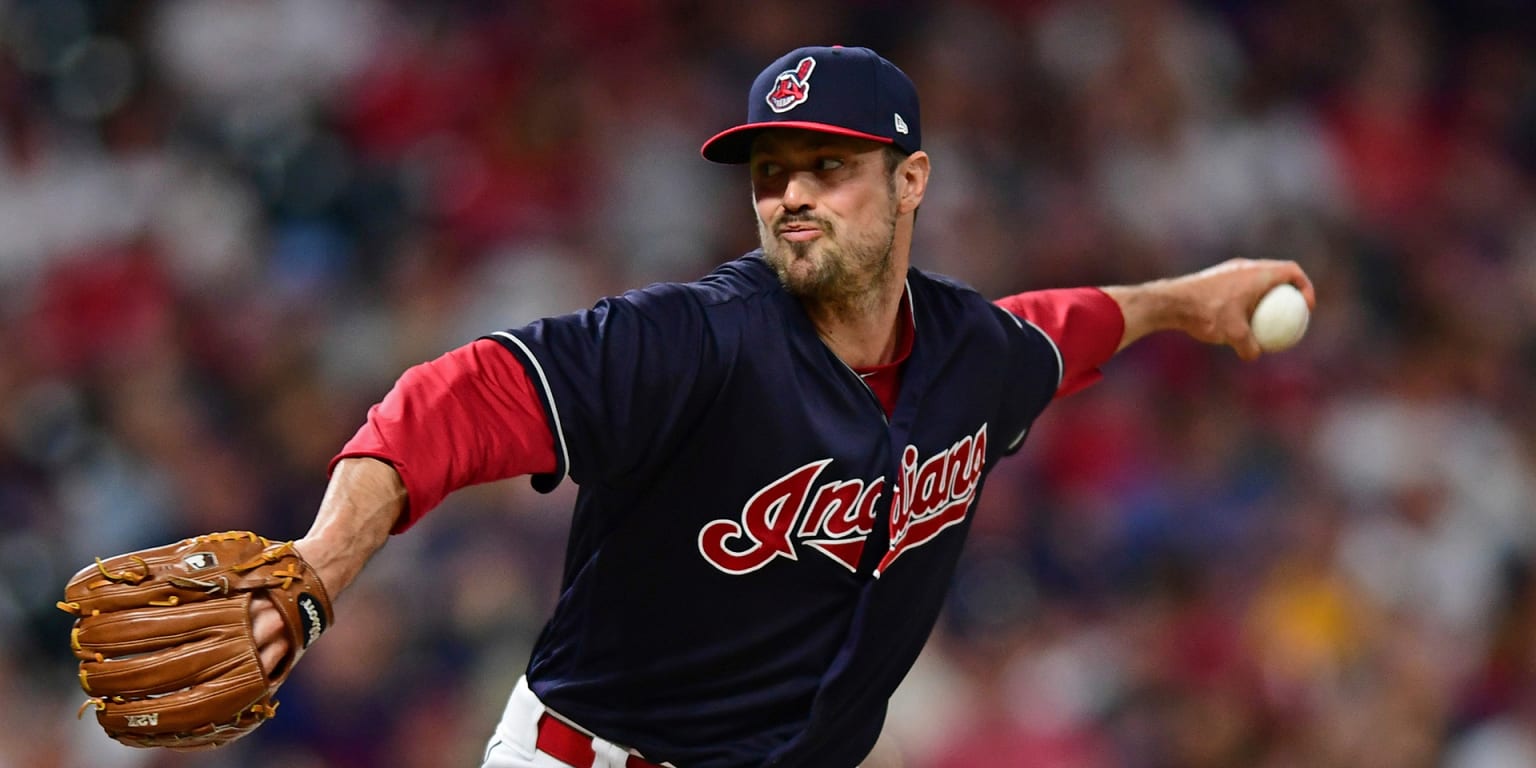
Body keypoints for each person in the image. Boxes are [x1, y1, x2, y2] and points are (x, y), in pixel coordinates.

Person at [250, 45, 1314, 767]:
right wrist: (322, 566)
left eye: (829, 165)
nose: (791, 193)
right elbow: (450, 401)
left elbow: (1070, 327)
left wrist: (1187, 300)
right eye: (770, 171)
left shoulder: (972, 354)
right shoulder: (694, 338)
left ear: (911, 182)